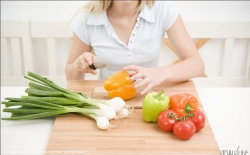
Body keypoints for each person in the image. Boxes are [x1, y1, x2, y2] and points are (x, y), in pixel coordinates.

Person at [65, 0, 204, 95]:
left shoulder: (162, 9)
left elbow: (197, 64)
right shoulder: (87, 17)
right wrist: (79, 65)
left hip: (149, 96)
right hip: (110, 99)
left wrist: (162, 73)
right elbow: (70, 76)